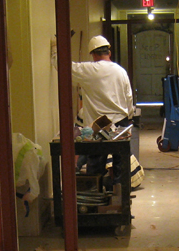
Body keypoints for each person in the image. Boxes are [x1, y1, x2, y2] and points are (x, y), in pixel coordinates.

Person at [54, 35, 135, 186]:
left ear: (93, 54)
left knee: (96, 163)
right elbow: (128, 97)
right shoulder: (121, 71)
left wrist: (55, 49)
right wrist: (129, 117)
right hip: (120, 122)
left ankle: (94, 198)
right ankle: (121, 202)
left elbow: (62, 66)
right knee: (121, 166)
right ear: (108, 52)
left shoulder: (88, 70)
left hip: (99, 125)